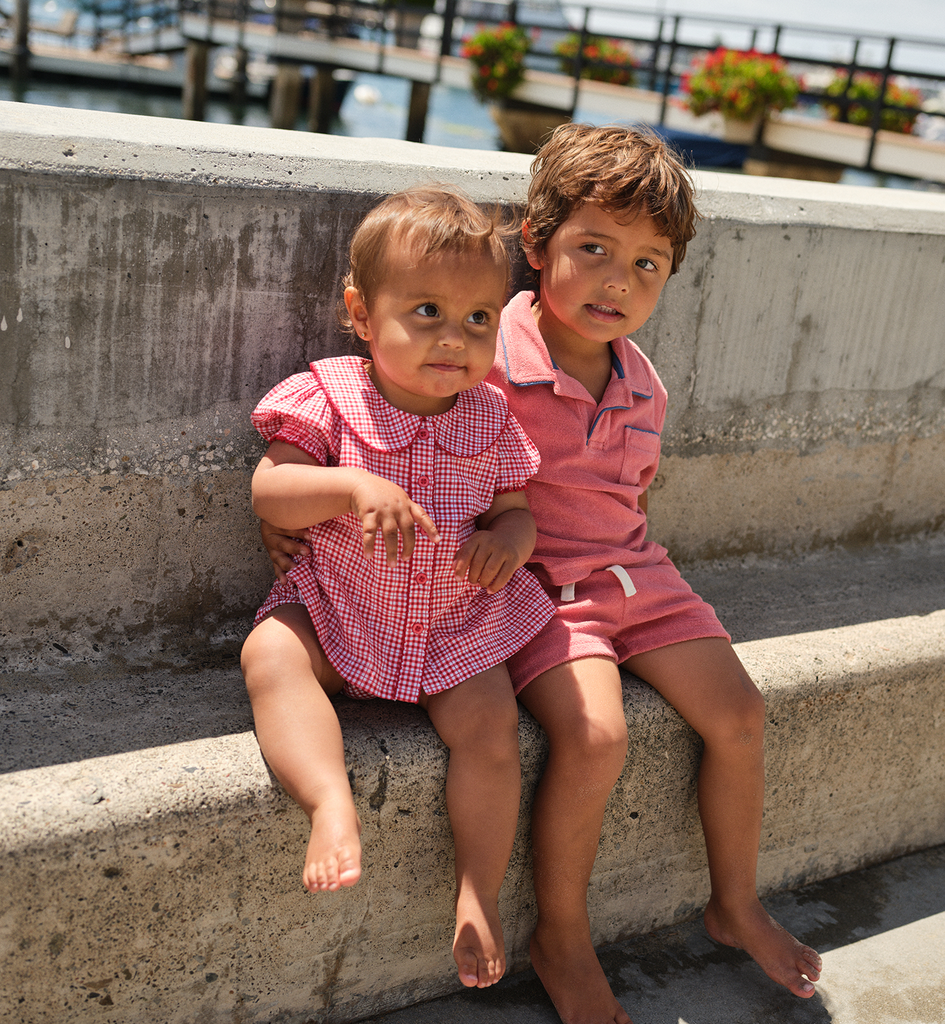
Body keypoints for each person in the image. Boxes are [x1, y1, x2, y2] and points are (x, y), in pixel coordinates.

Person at [262, 125, 823, 1022]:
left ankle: (736, 901)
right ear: (534, 245)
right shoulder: (487, 365)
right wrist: (304, 517)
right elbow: (375, 452)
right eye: (593, 250)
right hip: (540, 596)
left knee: (742, 715)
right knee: (597, 737)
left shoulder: (643, 382)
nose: (617, 282)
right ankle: (561, 934)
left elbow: (627, 498)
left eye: (647, 265)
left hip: (637, 574)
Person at [240, 185, 555, 991]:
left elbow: (518, 513)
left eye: (479, 319)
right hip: (342, 613)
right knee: (272, 656)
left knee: (491, 732)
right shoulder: (332, 396)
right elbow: (270, 493)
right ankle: (329, 802)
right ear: (360, 311)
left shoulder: (489, 417)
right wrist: (349, 487)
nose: (455, 339)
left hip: (451, 624)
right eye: (425, 312)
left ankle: (478, 893)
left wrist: (505, 544)